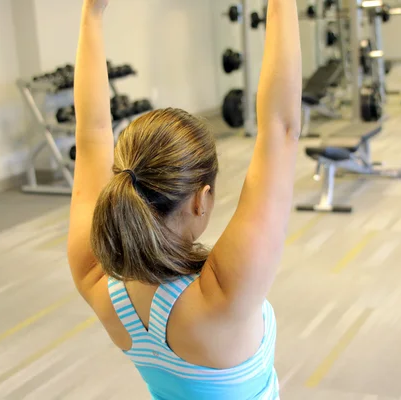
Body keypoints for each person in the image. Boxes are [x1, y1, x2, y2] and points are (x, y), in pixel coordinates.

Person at [67, 0, 301, 398]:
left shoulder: (95, 275)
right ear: (201, 200)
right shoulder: (222, 295)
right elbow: (278, 128)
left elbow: (91, 137)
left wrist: (91, 14)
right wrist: (93, 14)